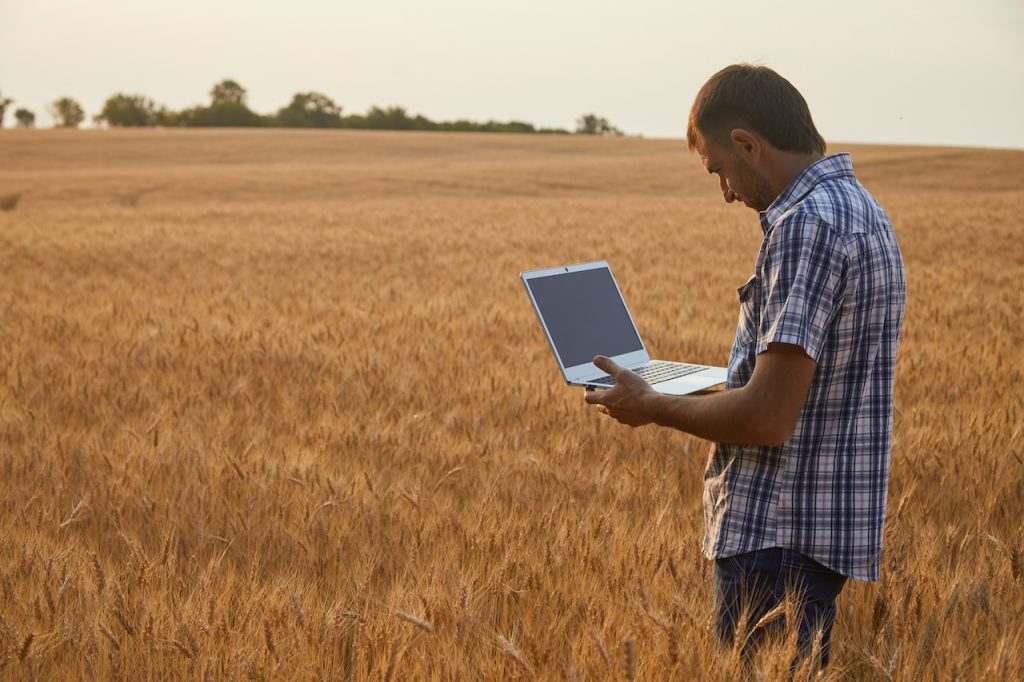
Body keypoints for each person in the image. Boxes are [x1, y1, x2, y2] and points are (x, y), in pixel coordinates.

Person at [584, 64, 906, 668]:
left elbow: (766, 417)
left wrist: (651, 406)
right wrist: (704, 385)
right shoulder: (861, 210)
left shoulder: (804, 226)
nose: (726, 192)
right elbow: (805, 383)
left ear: (747, 144)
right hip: (813, 534)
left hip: (774, 533)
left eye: (719, 171)